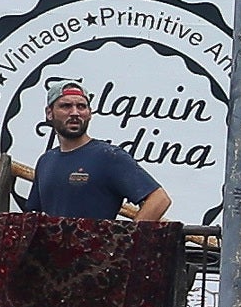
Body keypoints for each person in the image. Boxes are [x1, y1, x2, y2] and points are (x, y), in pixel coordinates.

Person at [13, 81, 175, 224]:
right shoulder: (46, 161)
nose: (75, 112)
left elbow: (159, 199)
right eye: (66, 106)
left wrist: (126, 243)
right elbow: (32, 216)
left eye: (81, 106)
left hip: (95, 257)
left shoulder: (108, 156)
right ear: (49, 113)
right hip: (53, 257)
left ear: (89, 114)